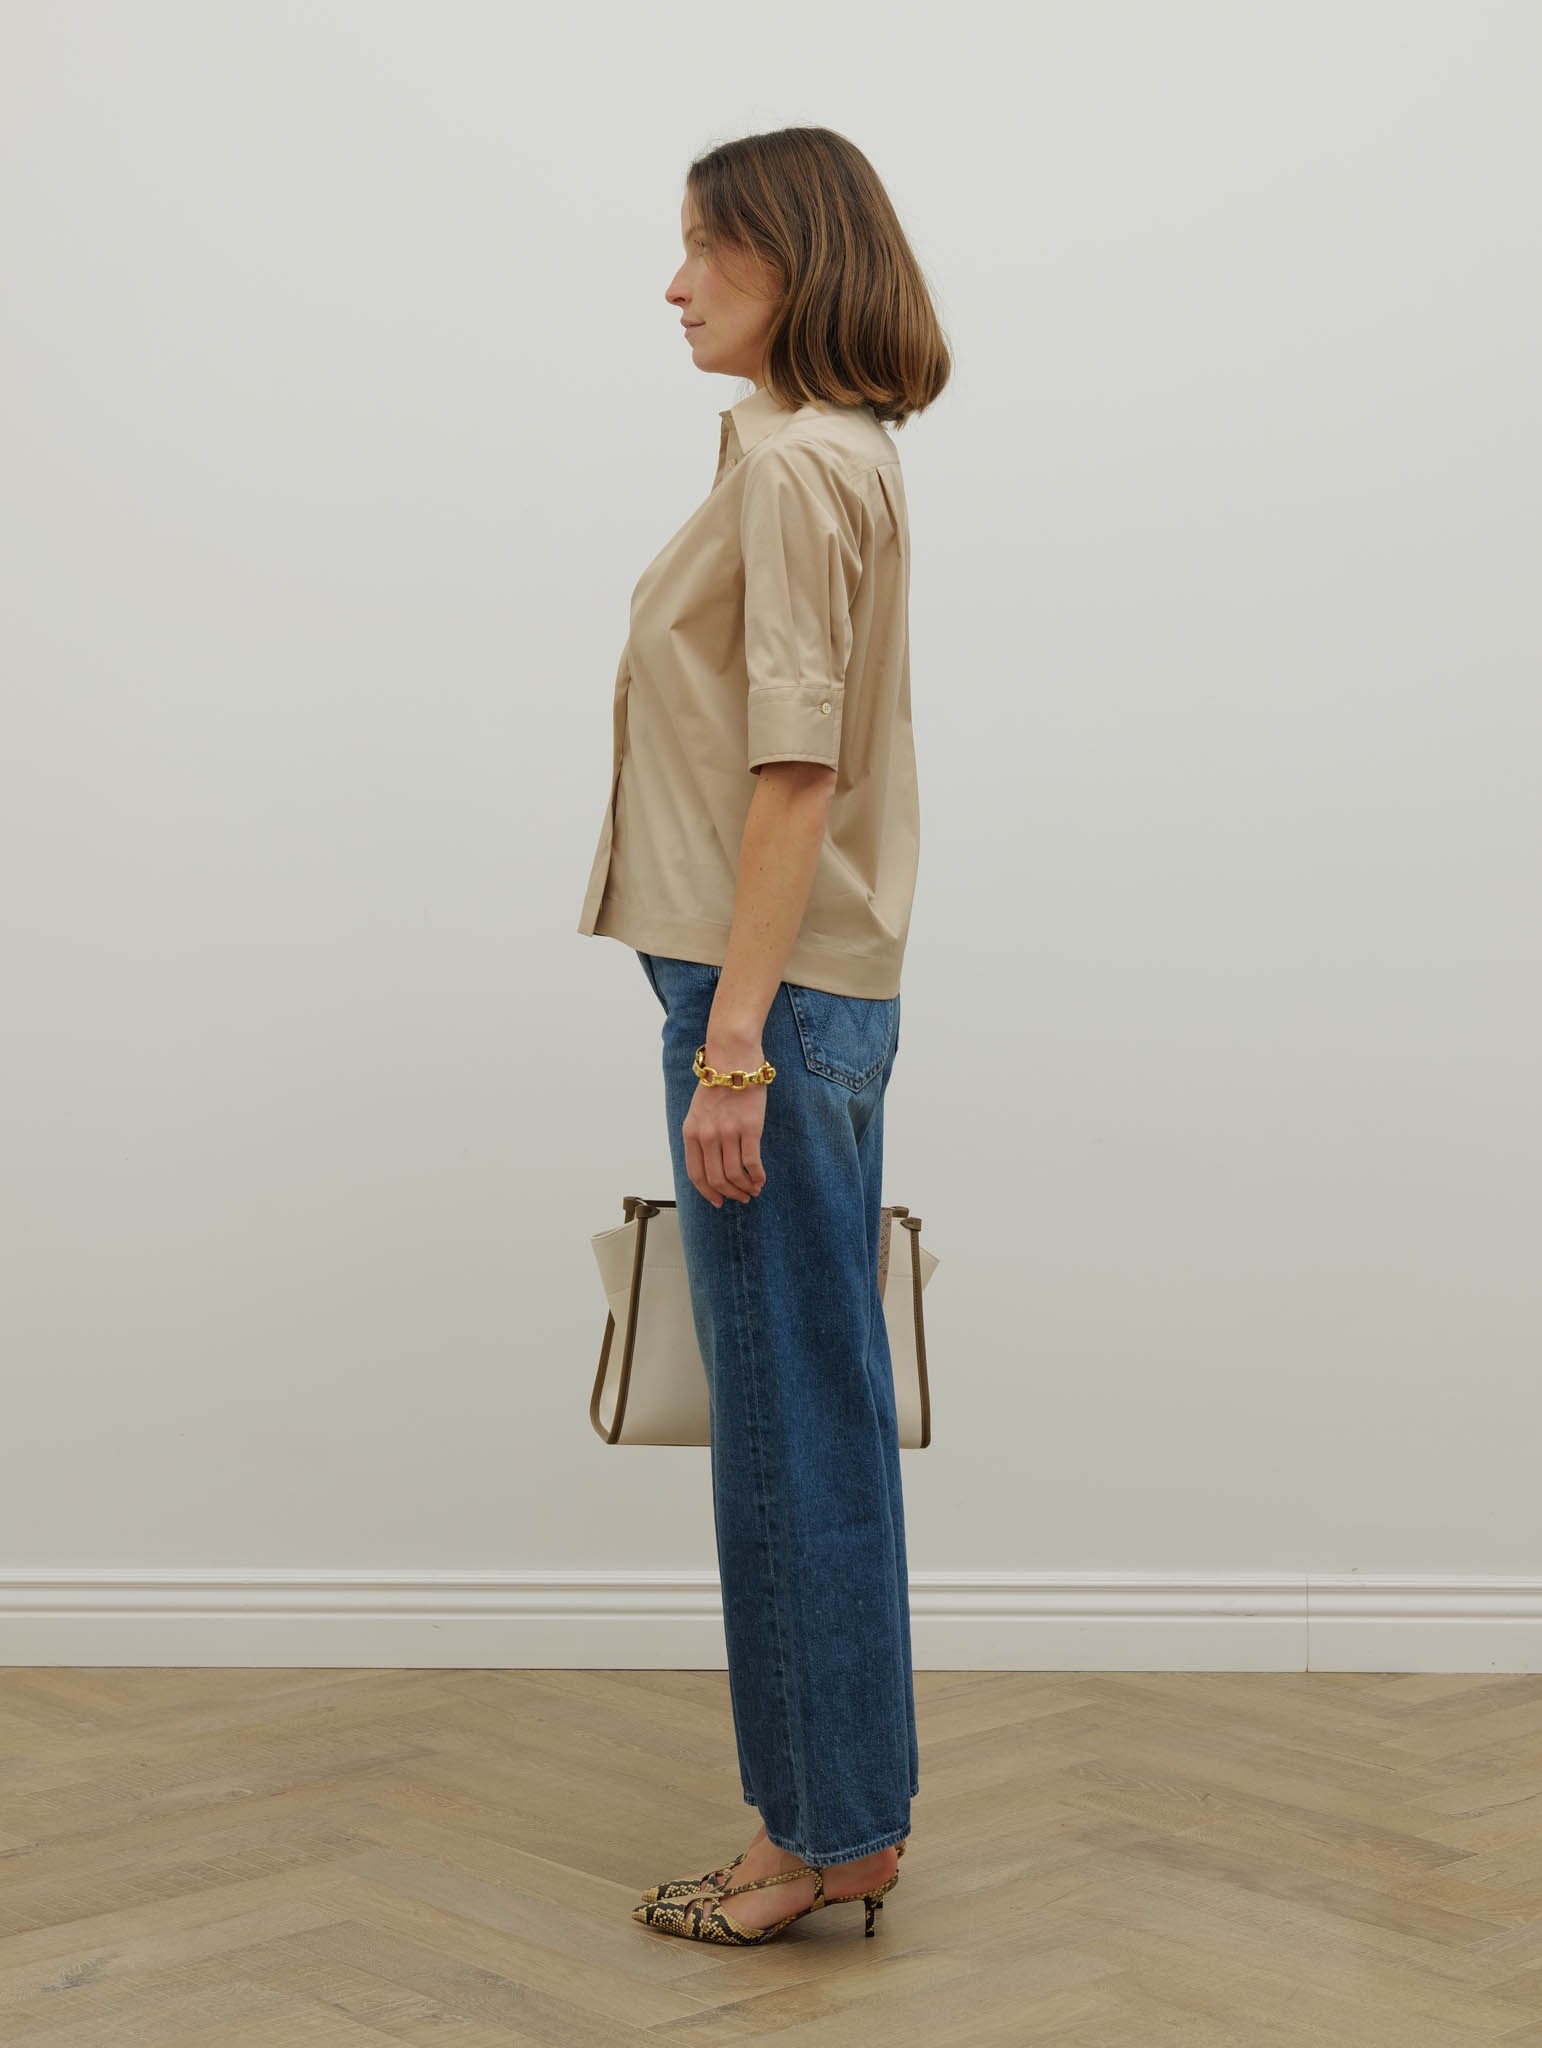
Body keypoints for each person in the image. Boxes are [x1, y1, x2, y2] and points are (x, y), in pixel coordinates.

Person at [577, 126, 949, 1946]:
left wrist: (729, 1044)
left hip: (766, 998)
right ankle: (843, 1819)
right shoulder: (824, 452)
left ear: (788, 261)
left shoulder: (800, 469)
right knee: (818, 1402)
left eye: (702, 250)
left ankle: (806, 1842)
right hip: (800, 991)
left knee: (787, 1427)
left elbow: (791, 771)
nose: (673, 287)